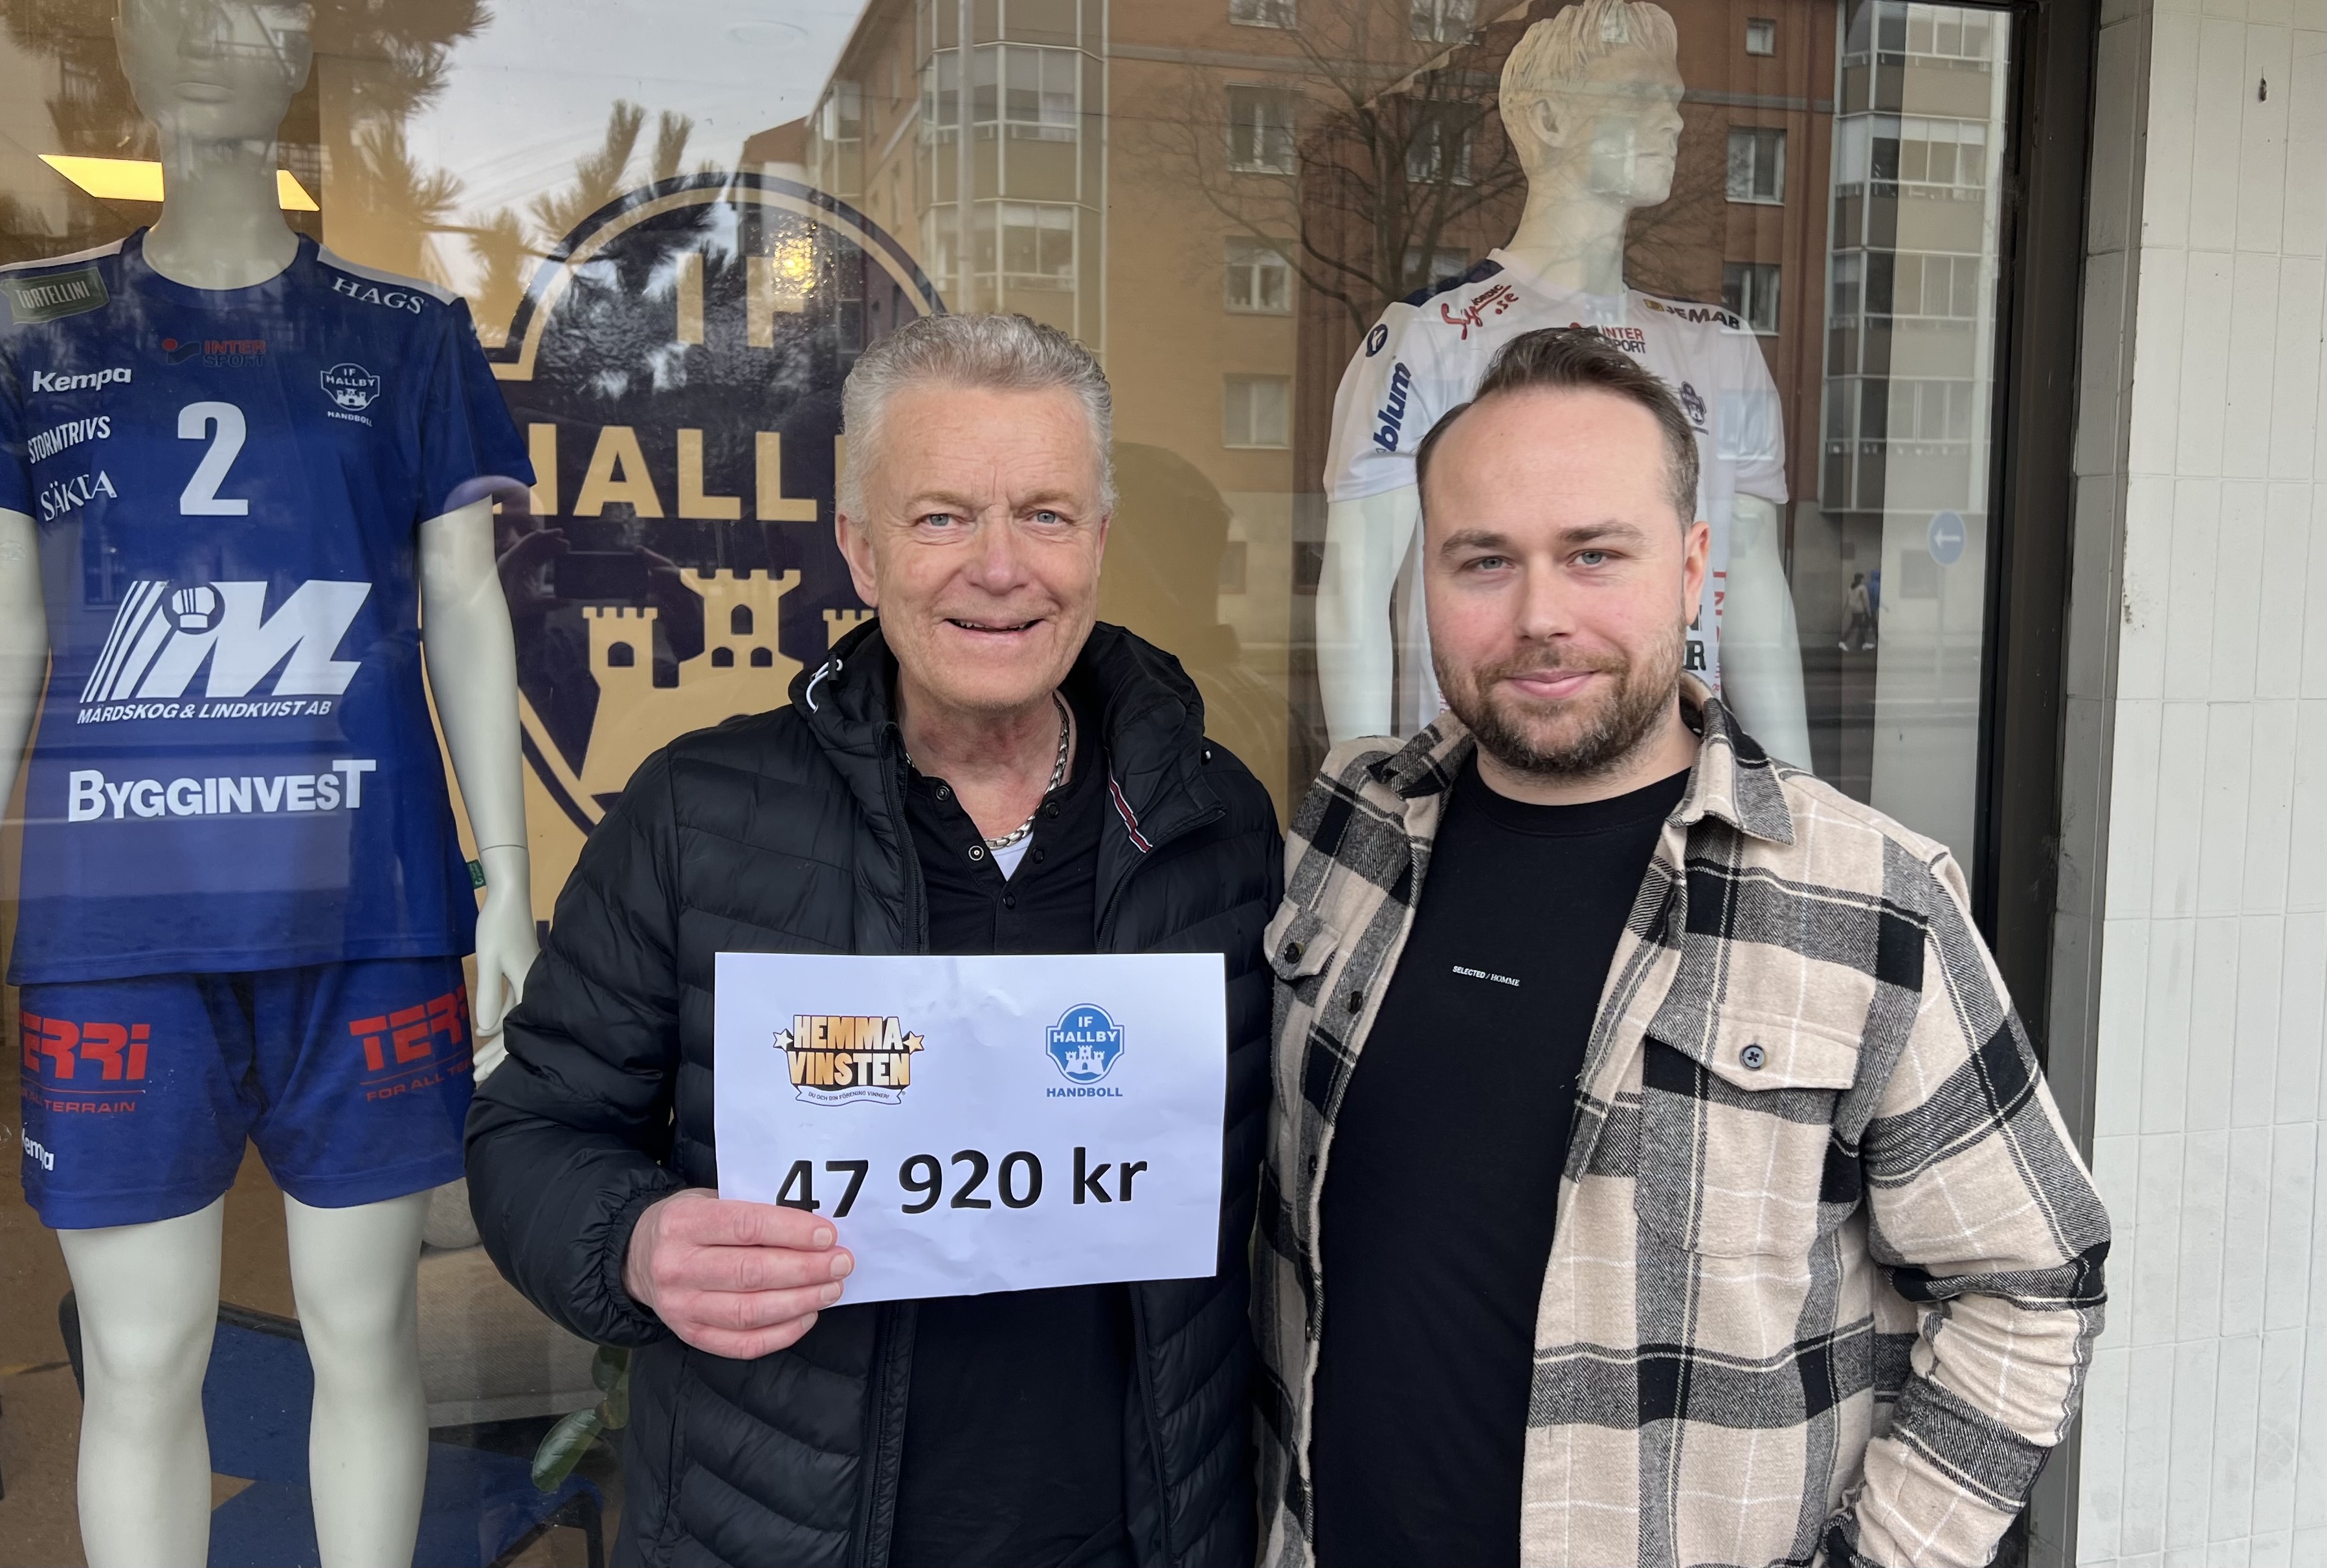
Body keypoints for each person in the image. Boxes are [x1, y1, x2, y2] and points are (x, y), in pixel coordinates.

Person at [1254, 328, 2108, 1568]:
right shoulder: (1348, 828)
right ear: (1422, 576)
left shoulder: (1870, 901)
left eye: (1595, 554)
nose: (1541, 617)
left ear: (1695, 568)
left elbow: (2031, 1283)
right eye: (1484, 560)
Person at [466, 313, 1280, 1567]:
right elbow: (528, 1133)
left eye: (1047, 515)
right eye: (942, 515)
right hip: (774, 1531)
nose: (999, 568)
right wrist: (631, 1240)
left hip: (1137, 1535)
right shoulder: (697, 816)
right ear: (858, 544)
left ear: (1099, 542)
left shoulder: (1212, 824)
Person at [1842, 569, 1875, 651]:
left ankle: (1864, 643)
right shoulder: (1862, 588)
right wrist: (1869, 612)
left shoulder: (1850, 588)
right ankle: (1843, 641)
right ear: (1861, 579)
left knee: (1861, 625)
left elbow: (1846, 601)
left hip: (1853, 610)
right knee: (1854, 625)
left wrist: (1844, 611)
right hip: (1860, 610)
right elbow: (1866, 601)